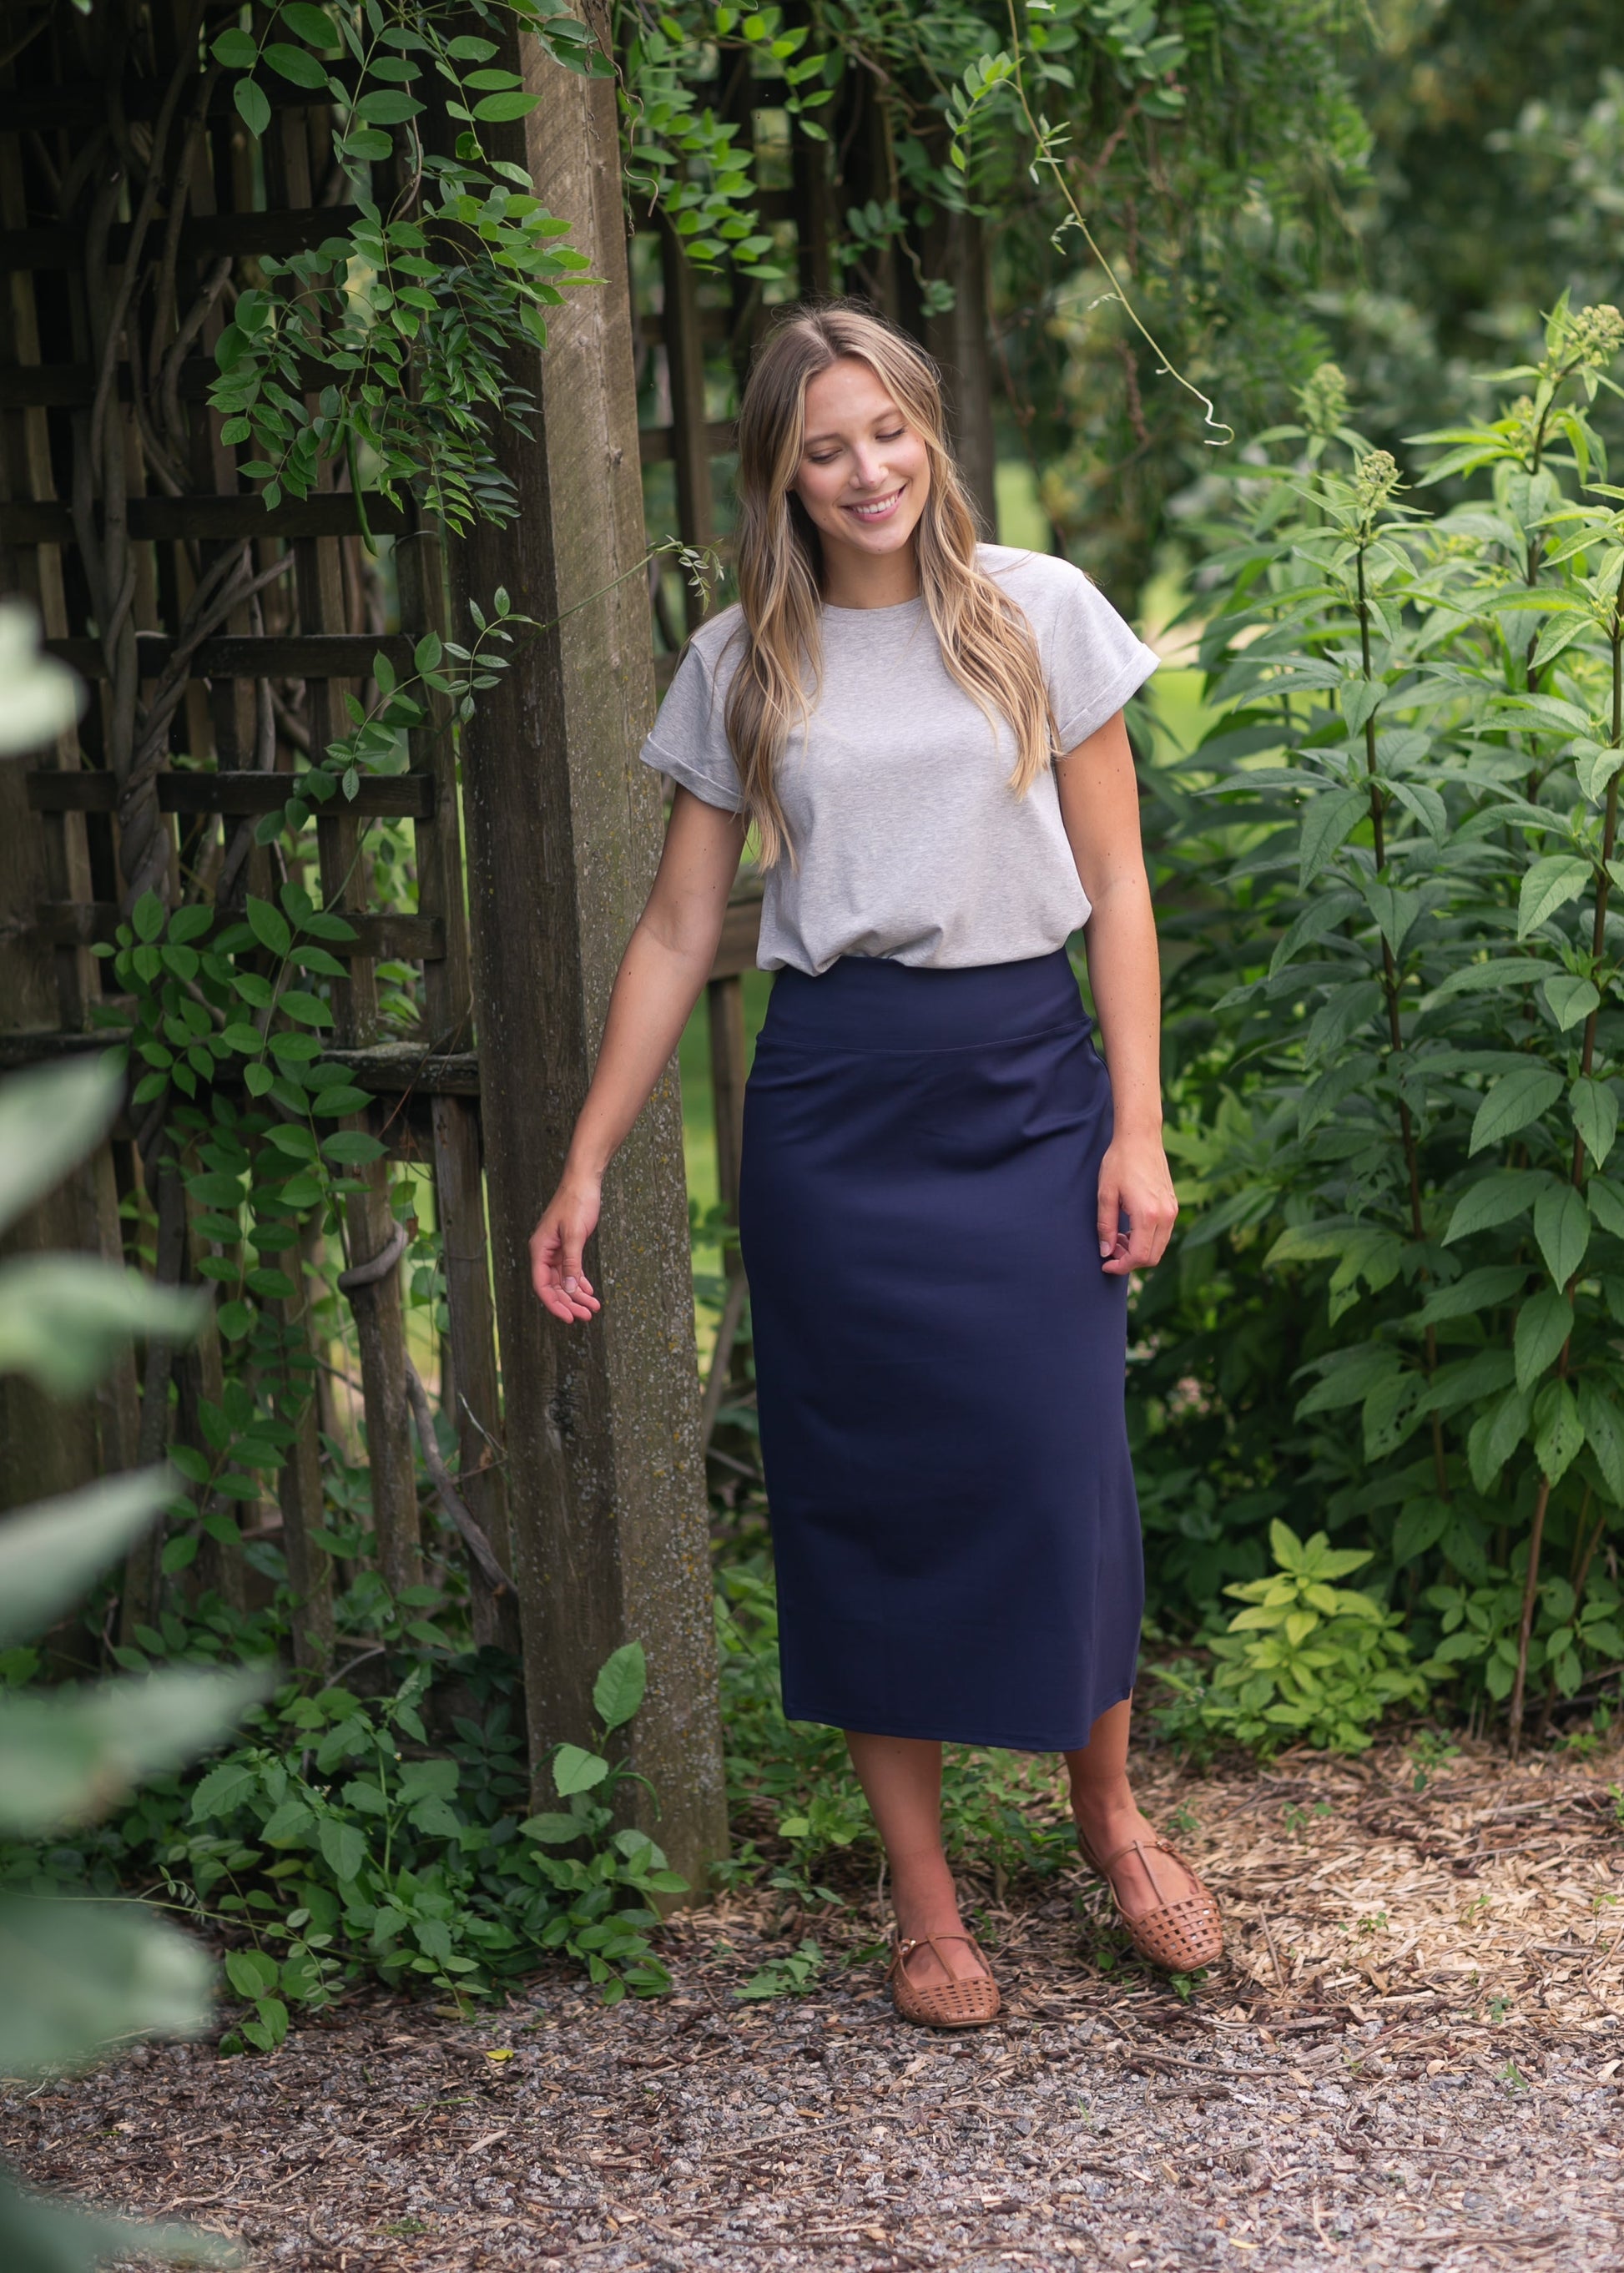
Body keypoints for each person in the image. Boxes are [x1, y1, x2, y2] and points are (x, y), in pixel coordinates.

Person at [528, 300, 1223, 2030]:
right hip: (834, 1112)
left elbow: (1118, 887)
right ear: (779, 474)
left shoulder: (1039, 612)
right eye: (824, 448)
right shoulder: (740, 664)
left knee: (1060, 1462)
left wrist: (1137, 1127)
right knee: (866, 1493)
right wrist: (589, 1160)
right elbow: (679, 926)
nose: (866, 473)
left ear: (930, 432)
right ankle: (923, 1901)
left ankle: (1108, 1815)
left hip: (1027, 1088)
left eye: (888, 432)